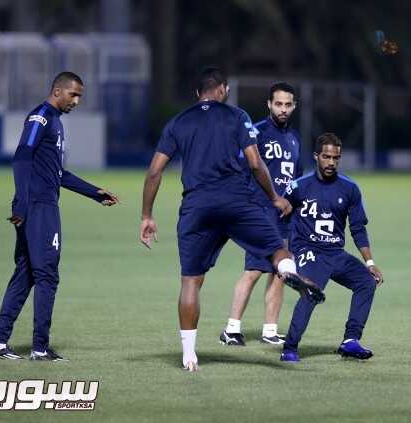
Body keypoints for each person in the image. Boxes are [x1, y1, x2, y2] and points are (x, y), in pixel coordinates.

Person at [139, 67, 324, 372]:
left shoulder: (179, 122)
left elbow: (155, 171)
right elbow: (254, 162)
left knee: (191, 281)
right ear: (224, 89)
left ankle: (189, 355)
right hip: (238, 202)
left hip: (197, 206)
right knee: (278, 249)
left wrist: (147, 215)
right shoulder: (238, 116)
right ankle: (289, 272)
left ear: (197, 94)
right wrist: (275, 197)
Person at [0, 72, 120, 361]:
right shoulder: (41, 118)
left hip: (37, 204)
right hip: (38, 206)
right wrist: (21, 203)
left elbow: (58, 173)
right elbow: (22, 156)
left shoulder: (56, 122)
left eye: (80, 96)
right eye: (73, 95)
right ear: (57, 91)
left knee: (27, 273)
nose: (77, 101)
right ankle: (39, 347)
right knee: (48, 275)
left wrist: (94, 193)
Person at [280, 133, 383, 362]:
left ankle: (350, 341)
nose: (331, 162)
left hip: (335, 253)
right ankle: (290, 348)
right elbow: (281, 221)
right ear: (316, 156)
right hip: (308, 250)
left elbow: (358, 228)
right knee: (311, 291)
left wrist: (370, 263)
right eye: (326, 157)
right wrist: (285, 255)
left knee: (366, 282)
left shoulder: (350, 189)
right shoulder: (298, 186)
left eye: (336, 158)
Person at [220, 82, 303, 346]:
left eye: (288, 104)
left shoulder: (294, 138)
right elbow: (241, 170)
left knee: (280, 272)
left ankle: (269, 330)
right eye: (278, 104)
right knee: (254, 270)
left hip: (284, 217)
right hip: (260, 213)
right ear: (269, 104)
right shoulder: (256, 133)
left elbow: (296, 179)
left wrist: (292, 203)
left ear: (294, 106)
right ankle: (231, 329)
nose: (283, 109)